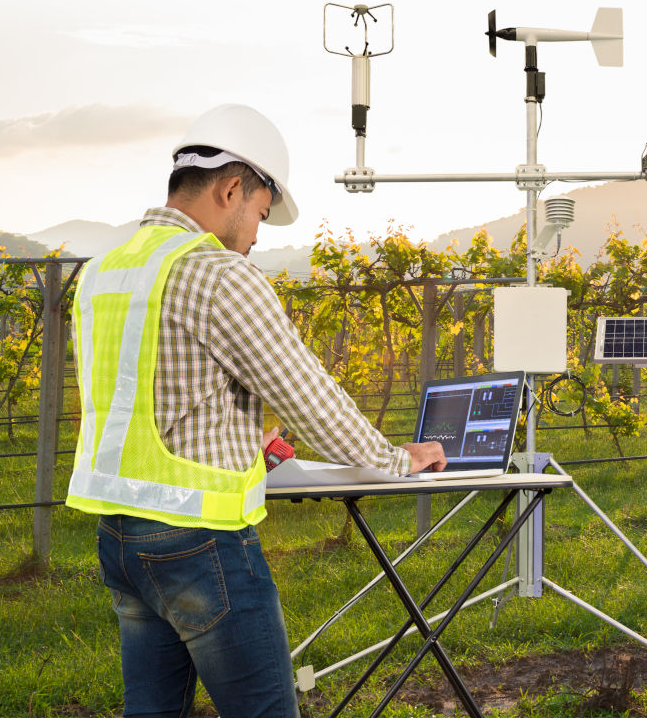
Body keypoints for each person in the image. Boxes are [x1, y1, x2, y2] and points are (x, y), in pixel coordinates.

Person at [65, 103, 446, 718]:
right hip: (200, 543)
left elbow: (145, 397)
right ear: (232, 187)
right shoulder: (218, 274)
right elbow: (310, 396)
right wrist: (394, 459)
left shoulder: (103, 271)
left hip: (120, 540)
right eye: (262, 214)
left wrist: (240, 440)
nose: (257, 235)